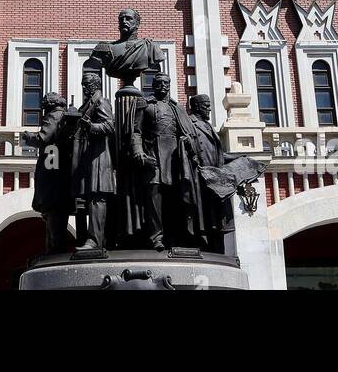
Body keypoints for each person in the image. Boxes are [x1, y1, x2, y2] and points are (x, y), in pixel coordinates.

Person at [129, 73, 202, 250]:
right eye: (159, 83)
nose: (163, 86)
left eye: (166, 83)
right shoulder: (145, 105)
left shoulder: (177, 109)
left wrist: (187, 142)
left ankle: (175, 236)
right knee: (154, 197)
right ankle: (156, 237)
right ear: (153, 85)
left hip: (175, 159)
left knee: (175, 198)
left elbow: (190, 134)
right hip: (153, 155)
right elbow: (136, 132)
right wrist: (138, 152)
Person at [20, 93, 73, 253]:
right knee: (53, 212)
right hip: (59, 167)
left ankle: (54, 250)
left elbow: (43, 138)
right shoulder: (63, 116)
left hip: (53, 168)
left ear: (48, 105)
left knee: (52, 210)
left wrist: (28, 137)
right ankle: (54, 249)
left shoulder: (53, 116)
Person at [69, 71, 115, 251]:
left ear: (96, 85)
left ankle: (95, 240)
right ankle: (88, 239)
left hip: (98, 158)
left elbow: (109, 125)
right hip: (87, 158)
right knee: (87, 200)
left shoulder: (101, 102)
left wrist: (91, 126)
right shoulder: (86, 104)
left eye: (86, 84)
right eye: (83, 84)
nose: (84, 87)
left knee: (96, 199)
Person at [187, 94, 237, 253]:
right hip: (201, 178)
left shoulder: (208, 126)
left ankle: (216, 249)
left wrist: (238, 157)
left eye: (208, 105)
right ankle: (205, 246)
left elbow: (219, 154)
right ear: (196, 107)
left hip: (216, 179)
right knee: (204, 218)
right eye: (205, 106)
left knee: (217, 219)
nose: (209, 109)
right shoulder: (190, 124)